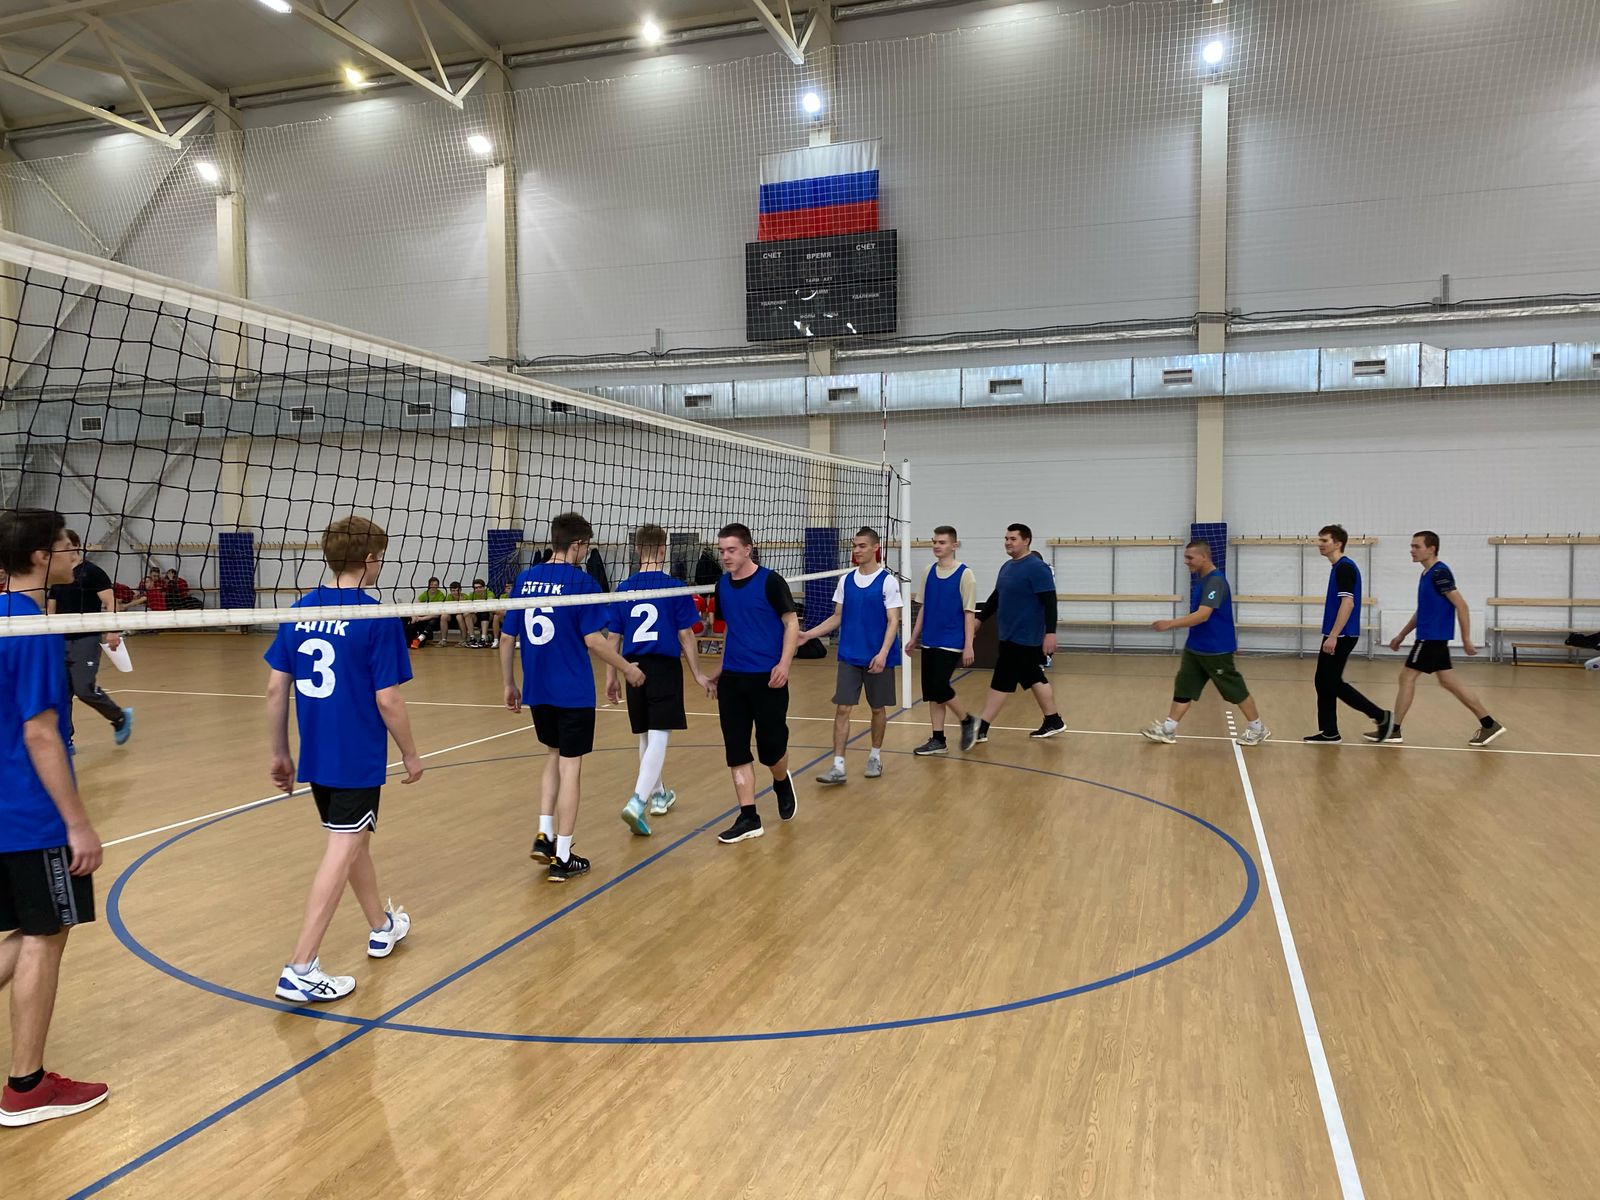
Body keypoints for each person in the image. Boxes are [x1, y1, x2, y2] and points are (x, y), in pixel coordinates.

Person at [265, 516, 421, 1004]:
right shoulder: (375, 616)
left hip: (316, 752)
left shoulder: (299, 610)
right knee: (342, 847)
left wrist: (280, 751)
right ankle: (301, 966)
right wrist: (410, 753)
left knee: (353, 842)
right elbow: (388, 699)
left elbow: (275, 688)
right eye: (381, 558)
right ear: (370, 559)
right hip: (356, 755)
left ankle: (381, 926)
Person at [0, 508, 108, 1126]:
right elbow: (40, 734)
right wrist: (77, 823)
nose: (76, 555)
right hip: (31, 809)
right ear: (42, 557)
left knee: (24, 928)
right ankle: (26, 1086)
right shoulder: (35, 627)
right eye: (68, 546)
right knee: (46, 933)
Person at [501, 512, 643, 881]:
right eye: (586, 546)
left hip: (538, 688)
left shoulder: (525, 579)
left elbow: (506, 638)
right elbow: (594, 640)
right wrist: (627, 669)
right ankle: (562, 856)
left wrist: (509, 683)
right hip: (573, 691)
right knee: (571, 766)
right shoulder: (582, 582)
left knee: (553, 755)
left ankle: (544, 834)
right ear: (578, 544)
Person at [606, 524, 708, 835]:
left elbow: (613, 638)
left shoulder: (624, 589)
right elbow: (686, 635)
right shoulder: (673, 587)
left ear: (637, 549)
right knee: (659, 733)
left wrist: (612, 675)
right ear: (664, 549)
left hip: (632, 666)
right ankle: (638, 801)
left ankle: (659, 795)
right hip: (663, 666)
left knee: (645, 736)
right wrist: (697, 673)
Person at [705, 523, 799, 845]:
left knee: (772, 750)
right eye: (722, 551)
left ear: (748, 549)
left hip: (768, 678)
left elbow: (791, 623)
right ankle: (749, 816)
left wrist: (784, 664)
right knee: (736, 749)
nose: (725, 556)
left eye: (731, 550)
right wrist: (721, 667)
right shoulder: (722, 585)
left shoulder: (771, 582)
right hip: (733, 679)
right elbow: (731, 627)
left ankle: (781, 780)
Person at [1368, 532, 1505, 747]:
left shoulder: (1440, 573)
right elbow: (1422, 611)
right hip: (1432, 637)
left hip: (1431, 638)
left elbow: (1461, 605)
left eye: (1417, 546)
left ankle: (1393, 730)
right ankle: (1489, 724)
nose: (1412, 550)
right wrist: (1402, 634)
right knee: (1448, 681)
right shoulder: (1426, 574)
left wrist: (1466, 639)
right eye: (1411, 546)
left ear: (1431, 549)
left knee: (1406, 678)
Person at [797, 526, 903, 785]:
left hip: (878, 658)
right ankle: (838, 765)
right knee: (843, 708)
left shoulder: (888, 581)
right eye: (855, 546)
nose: (857, 550)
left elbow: (893, 621)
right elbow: (837, 617)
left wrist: (883, 653)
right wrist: (808, 635)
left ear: (875, 548)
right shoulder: (846, 580)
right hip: (849, 656)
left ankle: (875, 756)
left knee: (877, 709)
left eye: (862, 546)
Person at [1141, 539, 1271, 746]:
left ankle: (1257, 729)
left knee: (1234, 690)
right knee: (1184, 687)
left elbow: (1203, 615)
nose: (1186, 561)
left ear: (1204, 557)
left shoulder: (1215, 581)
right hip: (1195, 647)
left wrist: (1170, 624)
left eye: (1190, 557)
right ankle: (1168, 729)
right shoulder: (1202, 581)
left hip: (1215, 649)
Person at [973, 523, 1065, 742]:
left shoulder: (1037, 568)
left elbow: (1050, 602)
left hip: (1025, 636)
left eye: (1013, 539)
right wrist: (979, 619)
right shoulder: (1006, 567)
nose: (1008, 542)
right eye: (1006, 538)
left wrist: (1050, 633)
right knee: (1032, 677)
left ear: (1026, 541)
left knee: (1003, 680)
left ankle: (981, 728)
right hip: (1008, 635)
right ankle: (1053, 720)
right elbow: (996, 596)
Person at [46, 530, 132, 748]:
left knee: (84, 689)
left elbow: (111, 603)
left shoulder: (93, 572)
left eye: (64, 546)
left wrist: (112, 631)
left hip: (86, 638)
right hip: (60, 640)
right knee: (61, 692)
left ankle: (119, 717)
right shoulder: (57, 575)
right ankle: (66, 739)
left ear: (75, 545)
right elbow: (51, 609)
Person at [1303, 524, 1388, 743]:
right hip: (1338, 633)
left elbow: (1348, 604)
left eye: (1324, 540)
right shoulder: (1338, 567)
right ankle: (1330, 731)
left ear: (1338, 543)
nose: (1319, 544)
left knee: (1331, 682)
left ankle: (1381, 716)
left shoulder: (1344, 568)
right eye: (1319, 540)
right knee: (1323, 681)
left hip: (1342, 634)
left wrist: (1333, 635)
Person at [907, 524, 979, 755]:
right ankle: (938, 739)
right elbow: (924, 607)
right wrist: (914, 637)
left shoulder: (965, 574)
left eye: (942, 542)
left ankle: (967, 720)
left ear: (954, 545)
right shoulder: (928, 571)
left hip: (952, 640)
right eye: (935, 542)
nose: (937, 546)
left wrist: (968, 645)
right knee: (932, 692)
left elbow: (969, 613)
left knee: (939, 685)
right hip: (929, 639)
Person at [407, 577, 447, 648]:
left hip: (435, 618)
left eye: (435, 585)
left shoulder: (441, 595)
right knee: (411, 620)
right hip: (426, 616)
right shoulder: (425, 593)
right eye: (432, 585)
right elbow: (415, 605)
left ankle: (419, 640)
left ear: (438, 586)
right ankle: (409, 640)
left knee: (432, 621)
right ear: (429, 585)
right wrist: (414, 616)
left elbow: (437, 614)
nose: (433, 587)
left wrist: (421, 618)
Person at [467, 578, 496, 648]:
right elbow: (468, 607)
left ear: (484, 587)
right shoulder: (471, 595)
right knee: (467, 614)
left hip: (488, 617)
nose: (478, 589)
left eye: (480, 587)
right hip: (476, 617)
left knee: (484, 613)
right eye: (476, 588)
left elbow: (490, 604)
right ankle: (472, 638)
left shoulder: (489, 593)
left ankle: (483, 638)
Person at [444, 581, 474, 647]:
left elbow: (469, 610)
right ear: (450, 591)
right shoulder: (449, 597)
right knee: (444, 616)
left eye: (457, 590)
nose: (455, 592)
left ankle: (464, 640)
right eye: (453, 591)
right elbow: (447, 609)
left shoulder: (465, 597)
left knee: (459, 616)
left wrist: (461, 602)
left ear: (460, 590)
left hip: (464, 617)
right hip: (452, 616)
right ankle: (443, 640)